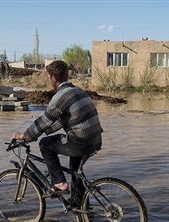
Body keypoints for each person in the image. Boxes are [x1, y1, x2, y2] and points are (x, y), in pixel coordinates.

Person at [11, 60, 103, 207]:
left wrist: (25, 136)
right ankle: (82, 209)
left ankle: (59, 183)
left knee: (45, 144)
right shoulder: (77, 91)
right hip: (95, 140)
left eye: (48, 76)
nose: (48, 80)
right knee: (75, 172)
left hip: (82, 141)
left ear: (53, 77)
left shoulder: (61, 96)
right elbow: (60, 120)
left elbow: (46, 120)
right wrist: (41, 132)